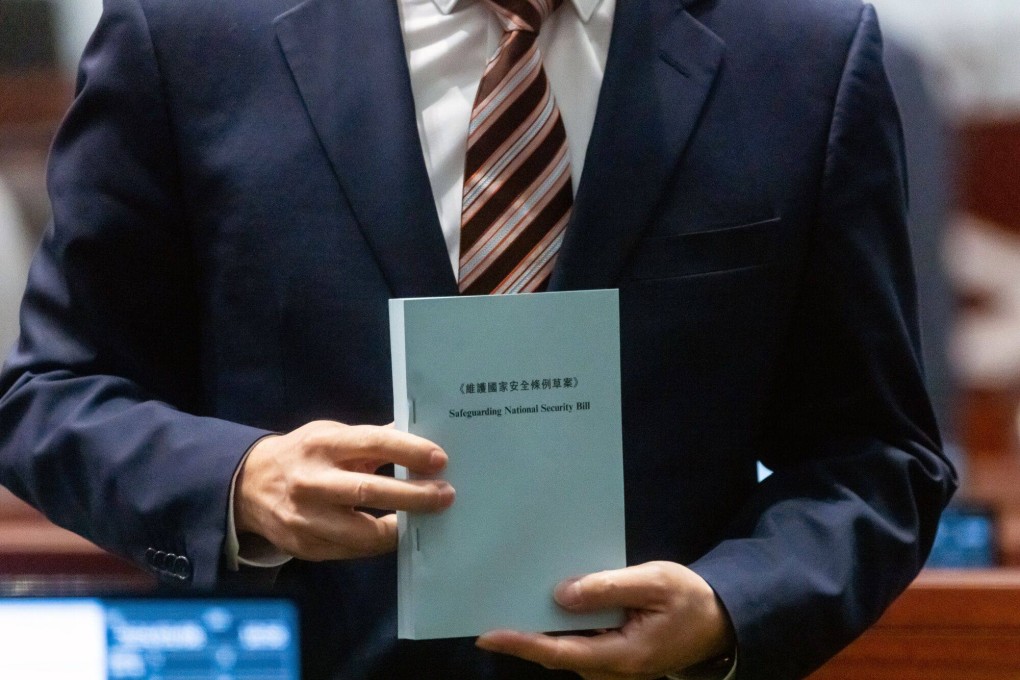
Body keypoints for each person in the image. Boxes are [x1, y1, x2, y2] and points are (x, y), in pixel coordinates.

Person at [0, 0, 956, 678]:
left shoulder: (801, 50)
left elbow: (878, 455)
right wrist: (241, 482)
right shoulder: (191, 33)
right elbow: (51, 390)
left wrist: (732, 606)